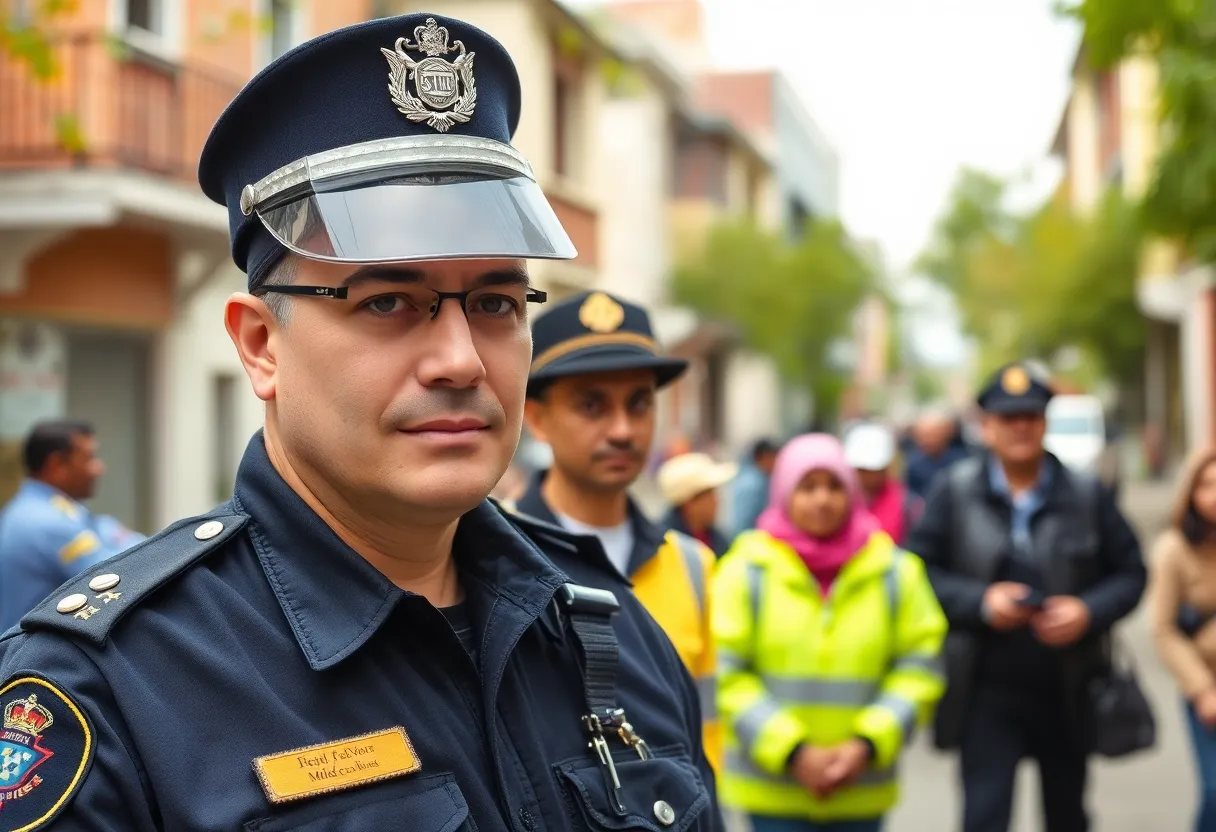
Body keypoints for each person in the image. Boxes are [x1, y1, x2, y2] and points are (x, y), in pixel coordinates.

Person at [0, 15, 722, 831]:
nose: (460, 359)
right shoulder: (118, 689)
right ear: (262, 345)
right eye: (386, 301)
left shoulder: (607, 631)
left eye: (493, 302)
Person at [906, 362, 1147, 832]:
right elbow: (916, 572)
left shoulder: (1085, 493)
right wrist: (979, 601)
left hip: (1068, 685)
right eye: (1008, 418)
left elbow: (1131, 573)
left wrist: (1088, 610)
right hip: (983, 687)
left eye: (1031, 417)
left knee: (1067, 815)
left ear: (1044, 422)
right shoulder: (955, 493)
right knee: (984, 815)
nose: (1020, 428)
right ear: (986, 425)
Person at [515, 290, 723, 773]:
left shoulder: (692, 565)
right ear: (538, 418)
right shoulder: (496, 555)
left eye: (639, 403)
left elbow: (706, 730)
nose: (623, 430)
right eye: (592, 406)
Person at [713, 433, 947, 831]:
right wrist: (792, 751)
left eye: (835, 486)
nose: (822, 499)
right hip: (773, 792)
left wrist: (866, 744)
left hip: (860, 789)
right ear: (784, 492)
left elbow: (920, 668)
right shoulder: (744, 570)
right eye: (807, 487)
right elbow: (723, 672)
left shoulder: (895, 572)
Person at [0, 421, 145, 629]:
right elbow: (120, 576)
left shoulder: (38, 506)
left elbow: (101, 526)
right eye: (89, 458)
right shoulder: (46, 522)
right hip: (37, 657)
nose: (99, 468)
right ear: (56, 465)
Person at [1148, 447, 1216, 832]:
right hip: (1207, 687)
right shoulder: (1174, 549)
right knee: (1215, 792)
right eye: (1207, 485)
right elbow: (1164, 629)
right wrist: (1202, 689)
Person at [842, 422, 920, 547]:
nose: (865, 475)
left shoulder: (908, 505)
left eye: (872, 469)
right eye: (860, 469)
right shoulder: (839, 500)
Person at [658, 451, 738, 557]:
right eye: (709, 494)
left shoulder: (720, 541)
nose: (717, 500)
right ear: (689, 502)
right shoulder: (662, 545)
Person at [903, 408, 970, 501]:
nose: (926, 440)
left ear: (947, 432)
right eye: (922, 435)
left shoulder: (963, 461)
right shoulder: (914, 464)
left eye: (932, 434)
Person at [732, 438, 780, 537]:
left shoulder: (761, 478)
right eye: (774, 457)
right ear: (763, 457)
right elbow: (744, 524)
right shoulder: (752, 484)